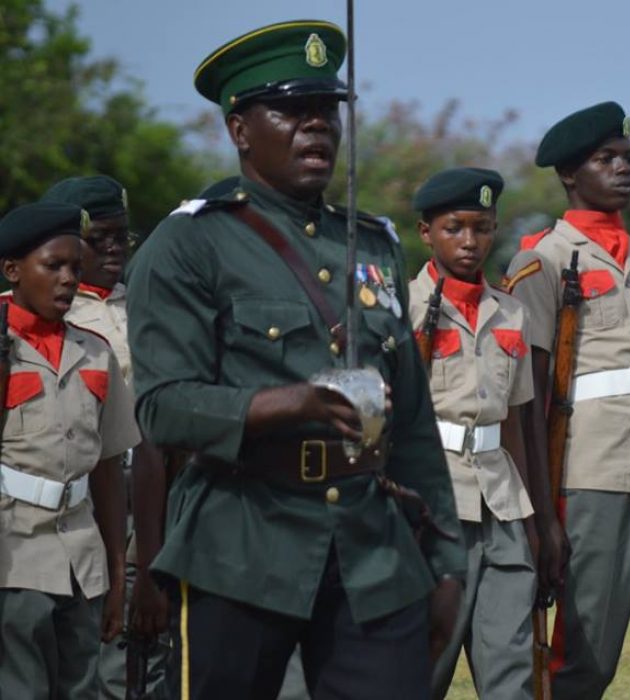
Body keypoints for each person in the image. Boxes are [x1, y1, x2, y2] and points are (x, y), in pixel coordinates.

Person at [125, 20, 465, 698]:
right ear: (239, 129)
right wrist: (290, 404)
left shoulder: (372, 246)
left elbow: (415, 420)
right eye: (290, 109)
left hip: (371, 545)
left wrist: (444, 561)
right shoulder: (189, 244)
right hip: (242, 538)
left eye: (327, 110)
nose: (316, 127)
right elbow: (162, 408)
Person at [504, 101, 630, 700]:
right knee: (585, 662)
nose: (623, 169)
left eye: (627, 158)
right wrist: (542, 517)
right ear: (571, 175)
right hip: (594, 471)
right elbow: (530, 397)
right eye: (606, 159)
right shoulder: (540, 260)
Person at [408, 167, 558, 698]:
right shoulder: (401, 311)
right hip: (433, 501)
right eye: (455, 227)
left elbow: (516, 421)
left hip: (502, 502)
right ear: (426, 231)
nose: (470, 241)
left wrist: (535, 522)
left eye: (483, 227)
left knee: (510, 671)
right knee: (423, 666)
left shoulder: (511, 313)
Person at [0, 201, 140, 699]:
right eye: (53, 266)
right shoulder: (3, 344)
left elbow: (107, 466)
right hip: (13, 553)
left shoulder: (95, 350)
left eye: (75, 269)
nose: (68, 280)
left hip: (81, 557)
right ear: (13, 270)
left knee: (84, 689)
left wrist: (118, 576)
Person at [41, 173, 172, 699]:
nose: (115, 248)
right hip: (75, 502)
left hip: (152, 491)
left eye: (123, 236)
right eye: (99, 240)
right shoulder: (44, 308)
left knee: (153, 654)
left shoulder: (152, 303)